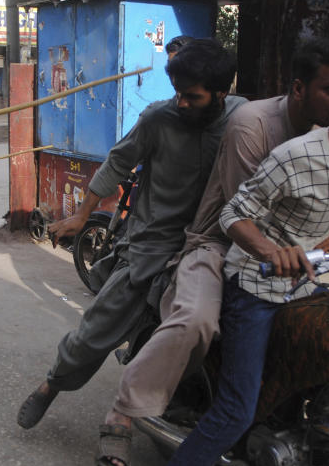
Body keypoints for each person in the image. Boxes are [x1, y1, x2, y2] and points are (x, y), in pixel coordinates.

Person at [97, 40, 329, 466]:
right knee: (196, 321)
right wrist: (287, 250)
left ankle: (308, 418)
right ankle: (125, 411)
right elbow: (243, 215)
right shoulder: (254, 125)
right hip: (220, 243)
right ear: (300, 89)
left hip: (289, 258)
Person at [16, 39, 247, 434]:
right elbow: (118, 162)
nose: (181, 103)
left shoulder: (243, 118)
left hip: (212, 248)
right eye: (177, 93)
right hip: (150, 247)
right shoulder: (158, 118)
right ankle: (51, 383)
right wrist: (80, 215)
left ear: (223, 93)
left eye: (192, 96)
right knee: (96, 332)